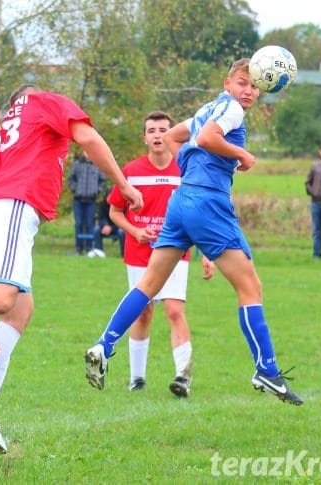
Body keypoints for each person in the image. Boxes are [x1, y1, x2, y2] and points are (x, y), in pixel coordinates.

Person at [84, 59, 304, 406]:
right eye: (242, 83)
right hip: (207, 202)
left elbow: (174, 137)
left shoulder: (210, 106)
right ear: (227, 83)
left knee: (148, 285)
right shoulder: (231, 109)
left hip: (180, 200)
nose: (249, 91)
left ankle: (103, 345)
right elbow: (207, 137)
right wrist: (241, 154)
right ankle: (266, 369)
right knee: (251, 287)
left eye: (254, 86)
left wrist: (190, 163)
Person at [0, 84, 143, 454]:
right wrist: (123, 184)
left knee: (21, 309)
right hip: (12, 207)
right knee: (3, 297)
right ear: (28, 96)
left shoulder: (1, 130)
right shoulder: (41, 101)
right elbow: (89, 139)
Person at [107, 111, 215, 396]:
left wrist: (207, 253)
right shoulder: (131, 171)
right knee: (142, 313)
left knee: (175, 310)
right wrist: (135, 231)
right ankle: (137, 379)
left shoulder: (186, 170)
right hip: (140, 253)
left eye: (162, 129)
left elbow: (201, 214)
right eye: (151, 130)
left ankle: (183, 375)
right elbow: (114, 211)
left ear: (174, 134)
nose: (157, 135)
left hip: (177, 251)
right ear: (144, 138)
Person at [68, 153, 106, 254]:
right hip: (78, 200)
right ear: (84, 152)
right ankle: (79, 248)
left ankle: (89, 247)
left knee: (90, 224)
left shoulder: (97, 164)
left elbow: (102, 180)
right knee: (79, 224)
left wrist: (97, 190)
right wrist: (75, 190)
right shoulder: (77, 164)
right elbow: (71, 178)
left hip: (91, 200)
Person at [89, 186, 124, 258]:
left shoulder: (120, 204)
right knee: (96, 230)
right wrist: (105, 225)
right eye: (108, 196)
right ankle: (99, 253)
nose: (109, 199)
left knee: (121, 232)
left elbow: (122, 220)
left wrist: (111, 228)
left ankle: (123, 255)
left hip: (117, 227)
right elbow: (100, 218)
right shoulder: (103, 204)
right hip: (105, 228)